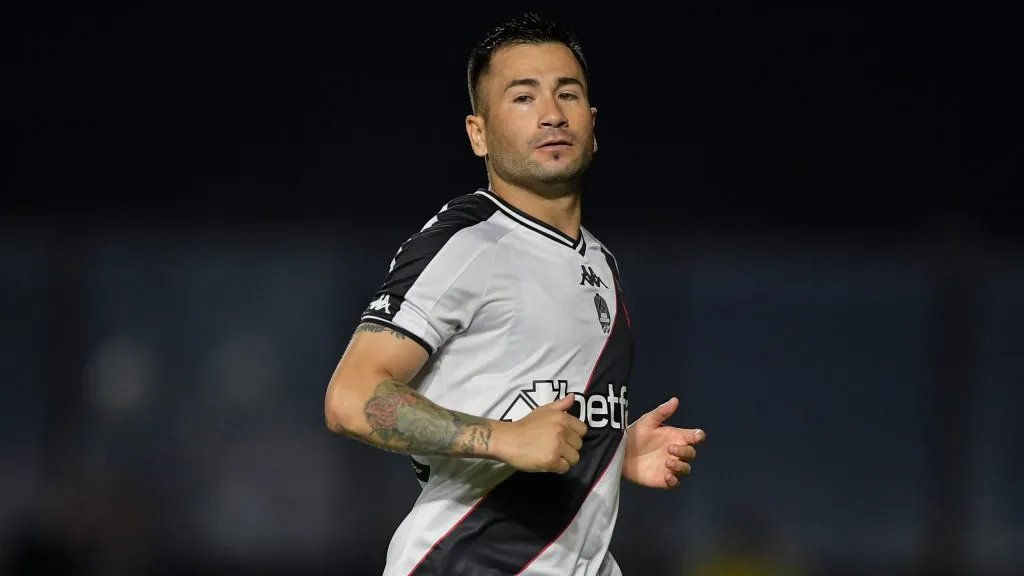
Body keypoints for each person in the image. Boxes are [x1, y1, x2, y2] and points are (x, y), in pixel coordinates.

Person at [324, 12, 706, 576]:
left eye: (567, 94)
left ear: (593, 123)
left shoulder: (600, 260)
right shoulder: (469, 242)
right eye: (523, 97)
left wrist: (611, 450)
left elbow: (529, 405)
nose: (552, 114)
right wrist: (506, 439)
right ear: (478, 132)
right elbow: (351, 398)